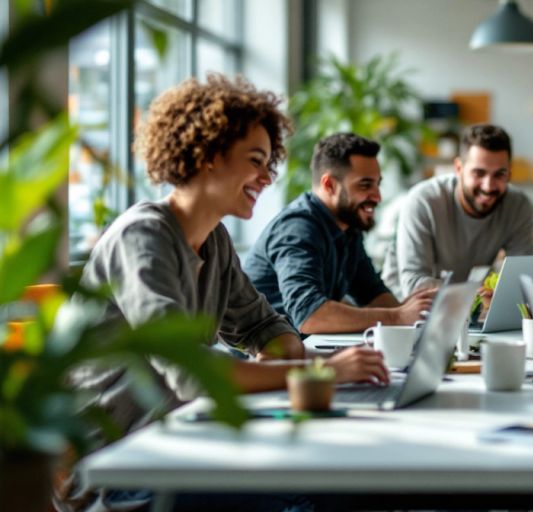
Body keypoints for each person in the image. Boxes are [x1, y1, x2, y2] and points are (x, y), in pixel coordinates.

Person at [63, 74, 387, 511]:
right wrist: (322, 370)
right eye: (255, 160)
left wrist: (285, 349)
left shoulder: (214, 241)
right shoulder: (142, 237)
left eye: (268, 164)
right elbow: (191, 372)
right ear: (209, 153)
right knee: (311, 496)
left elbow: (261, 323)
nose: (265, 178)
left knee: (340, 481)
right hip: (120, 470)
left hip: (184, 440)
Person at [244, 133, 434, 335]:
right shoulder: (298, 229)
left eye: (378, 184)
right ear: (329, 185)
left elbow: (372, 293)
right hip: (264, 357)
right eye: (365, 185)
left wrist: (414, 314)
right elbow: (310, 316)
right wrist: (397, 317)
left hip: (304, 348)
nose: (377, 196)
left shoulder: (348, 227)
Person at [382, 123, 533, 299]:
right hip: (401, 308)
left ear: (510, 172)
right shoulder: (423, 201)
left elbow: (525, 276)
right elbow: (414, 282)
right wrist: (474, 293)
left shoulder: (517, 205)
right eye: (479, 173)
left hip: (465, 309)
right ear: (458, 168)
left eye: (499, 174)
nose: (489, 186)